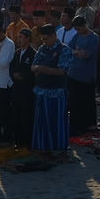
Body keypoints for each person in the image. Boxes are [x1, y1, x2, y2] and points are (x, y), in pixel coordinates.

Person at [30, 24, 70, 157]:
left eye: (46, 39)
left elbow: (62, 70)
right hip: (41, 90)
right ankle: (43, 146)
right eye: (42, 39)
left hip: (56, 91)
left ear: (54, 36)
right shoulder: (42, 48)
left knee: (56, 121)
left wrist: (44, 69)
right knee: (41, 122)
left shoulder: (64, 50)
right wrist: (39, 68)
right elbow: (33, 66)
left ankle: (59, 147)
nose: (44, 42)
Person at [65, 16, 98, 135]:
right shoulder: (77, 35)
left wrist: (77, 53)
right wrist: (76, 52)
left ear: (85, 25)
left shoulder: (93, 38)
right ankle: (75, 124)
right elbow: (69, 48)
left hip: (86, 75)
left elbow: (87, 54)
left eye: (79, 28)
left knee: (87, 101)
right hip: (73, 72)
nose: (78, 31)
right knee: (73, 100)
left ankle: (89, 124)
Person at [8, 27, 36, 147]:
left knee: (27, 115)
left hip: (27, 90)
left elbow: (33, 72)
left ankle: (27, 140)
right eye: (18, 37)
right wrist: (14, 75)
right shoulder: (17, 53)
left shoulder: (33, 54)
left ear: (28, 38)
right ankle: (18, 139)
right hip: (16, 89)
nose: (19, 39)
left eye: (21, 37)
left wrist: (23, 77)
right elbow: (11, 68)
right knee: (16, 114)